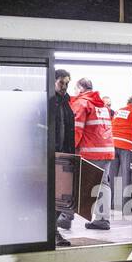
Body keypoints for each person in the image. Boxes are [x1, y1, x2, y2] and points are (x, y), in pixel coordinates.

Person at [71, 77, 115, 230]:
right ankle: (102, 219)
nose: (74, 92)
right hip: (107, 150)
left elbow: (76, 129)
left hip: (91, 151)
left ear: (80, 88)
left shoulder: (82, 103)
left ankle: (66, 216)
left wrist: (70, 149)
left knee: (76, 183)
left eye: (75, 89)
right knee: (103, 184)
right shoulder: (102, 105)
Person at [51, 69, 76, 245]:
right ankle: (52, 232)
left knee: (62, 197)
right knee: (51, 197)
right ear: (53, 82)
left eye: (67, 83)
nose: (64, 86)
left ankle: (53, 231)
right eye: (61, 82)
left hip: (64, 156)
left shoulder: (66, 103)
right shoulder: (49, 102)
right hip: (50, 156)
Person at [110, 94, 132, 211]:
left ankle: (111, 203)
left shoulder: (119, 111)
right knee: (126, 175)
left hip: (113, 143)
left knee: (113, 175)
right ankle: (125, 206)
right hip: (127, 145)